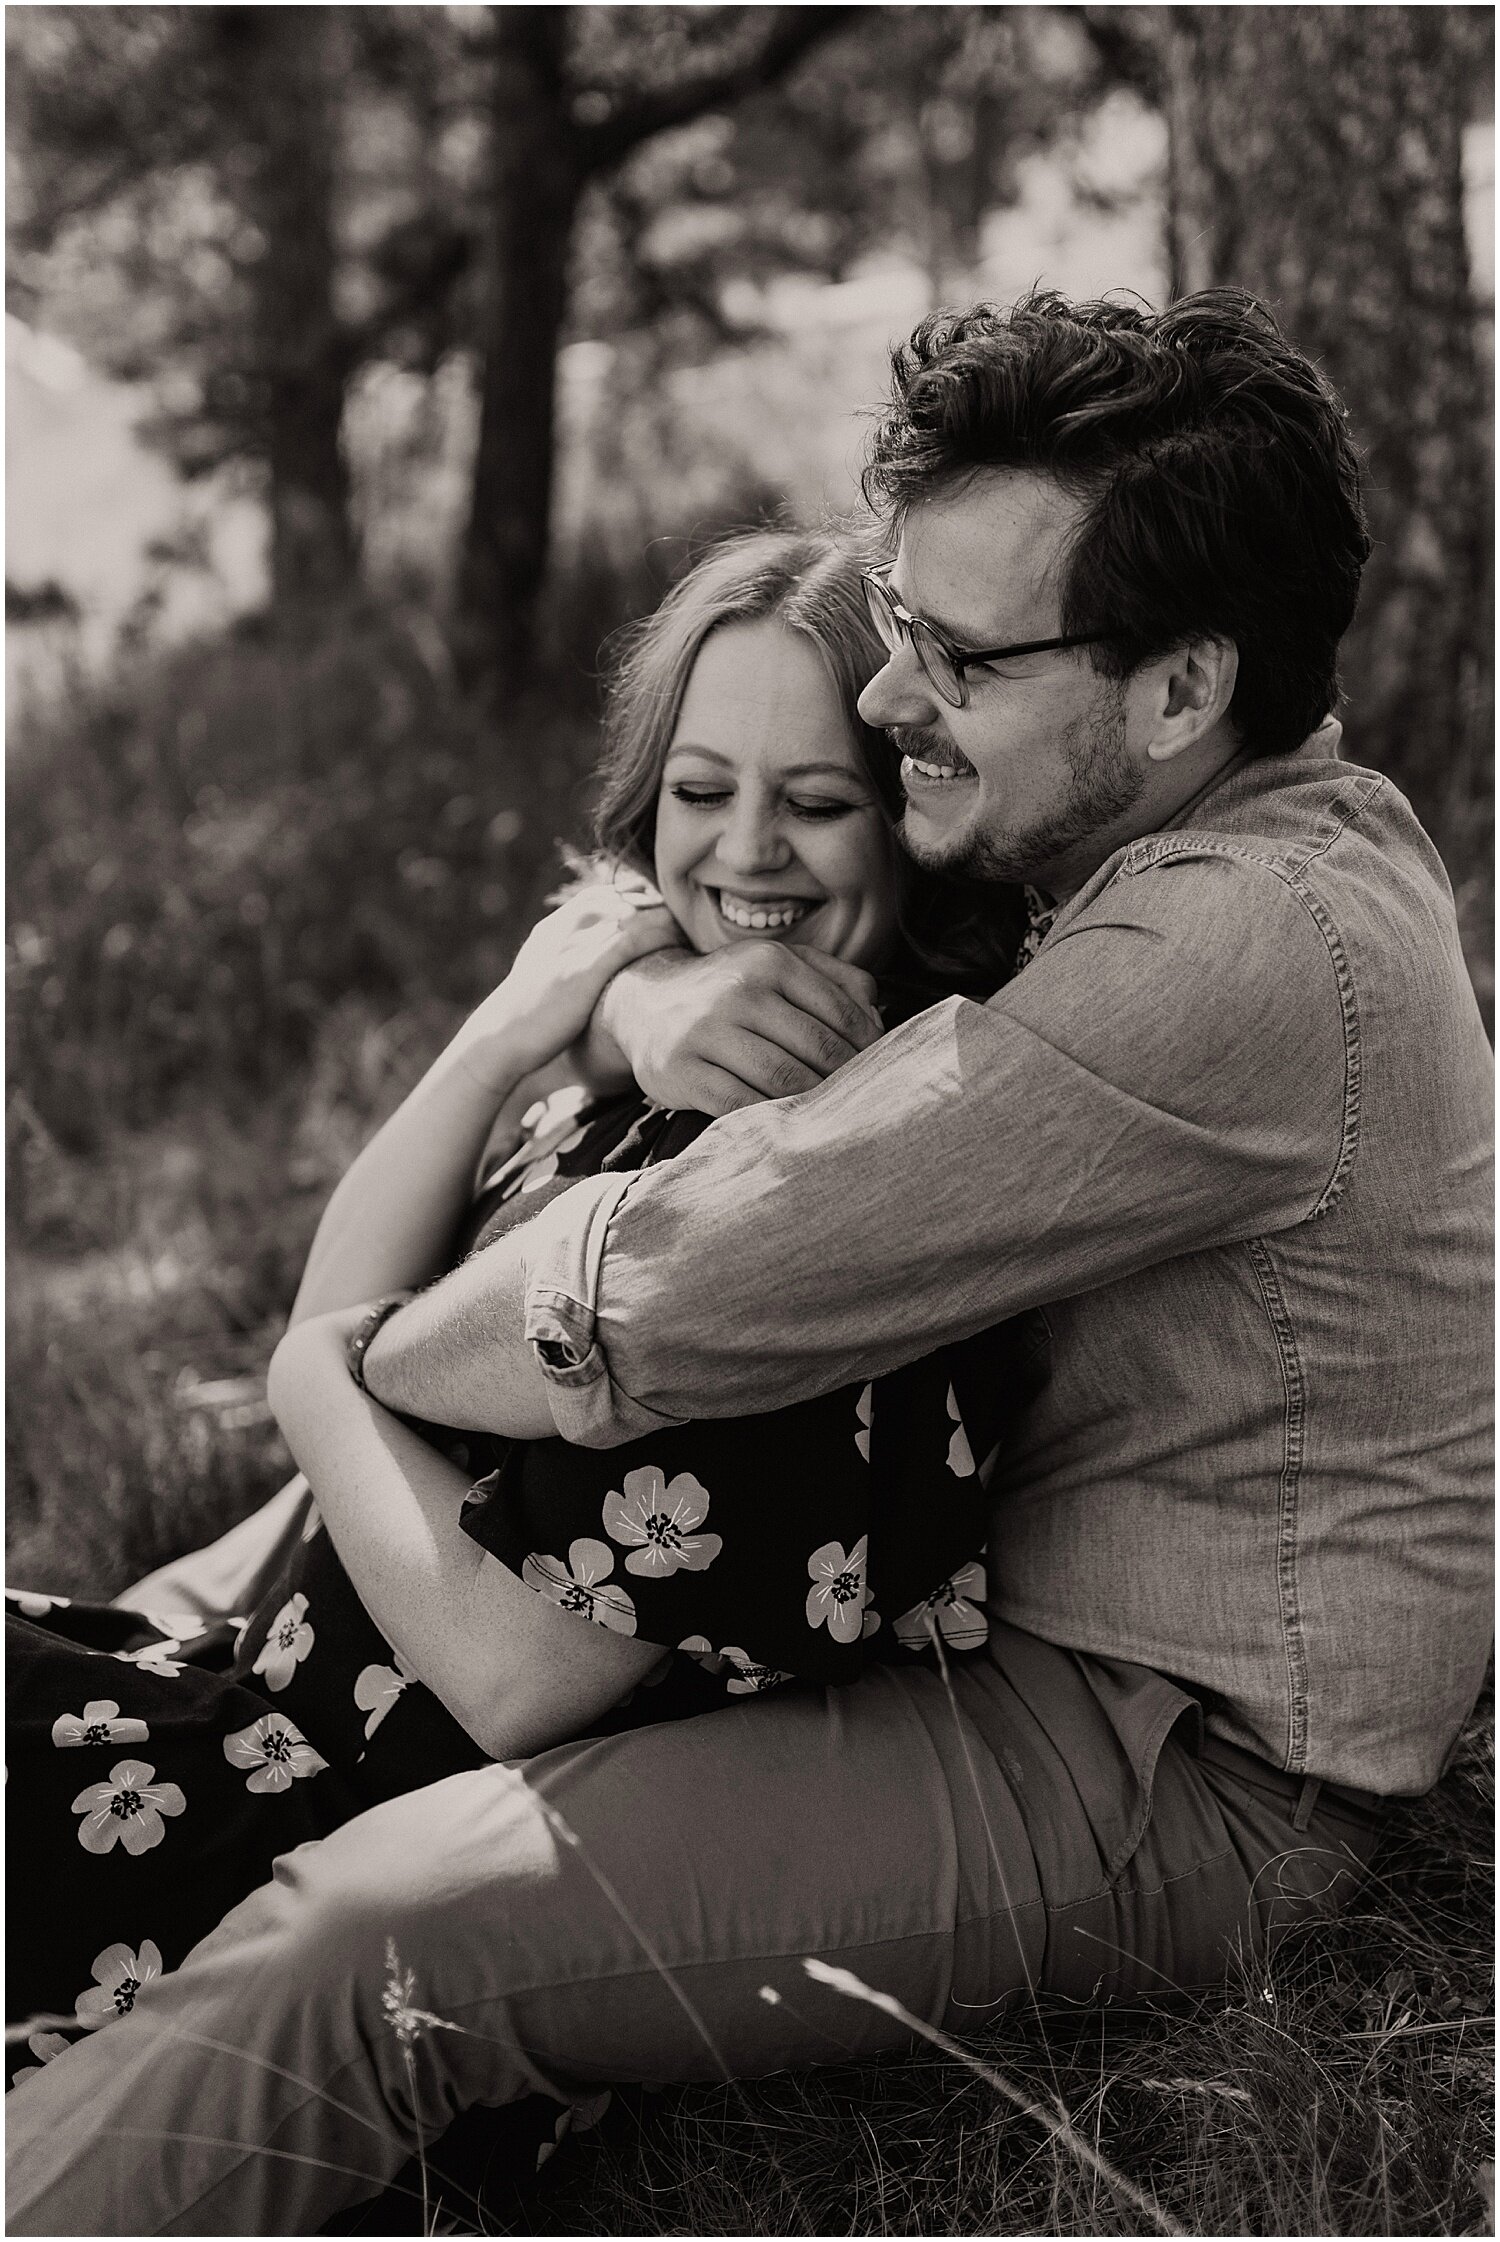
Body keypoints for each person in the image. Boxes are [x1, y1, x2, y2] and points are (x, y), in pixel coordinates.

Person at [8, 289, 1491, 2239]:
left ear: (1180, 686)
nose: (889, 707)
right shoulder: (1207, 848)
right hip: (1007, 1638)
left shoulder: (1226, 955)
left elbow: (668, 1291)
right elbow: (775, 901)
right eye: (901, 627)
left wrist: (356, 1351)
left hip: (1179, 1752)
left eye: (951, 657)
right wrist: (627, 1007)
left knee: (379, 1941)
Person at [5, 529, 1028, 2068]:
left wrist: (309, 1379)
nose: (745, 850)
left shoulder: (827, 1200)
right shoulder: (674, 1052)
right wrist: (514, 1034)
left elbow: (520, 1679)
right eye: (699, 791)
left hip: (303, 1843)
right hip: (235, 1721)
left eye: (816, 803)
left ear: (911, 824)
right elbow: (352, 1281)